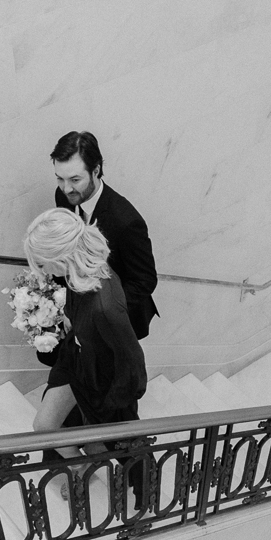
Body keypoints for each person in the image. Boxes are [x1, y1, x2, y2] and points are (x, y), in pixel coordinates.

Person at [24, 208, 147, 467]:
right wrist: (71, 318)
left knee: (96, 441)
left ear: (61, 256)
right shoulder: (80, 270)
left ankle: (91, 468)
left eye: (43, 263)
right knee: (45, 426)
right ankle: (82, 467)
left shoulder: (104, 309)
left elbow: (132, 361)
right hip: (76, 359)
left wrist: (109, 403)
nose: (43, 271)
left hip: (99, 380)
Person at [51, 132, 159, 340]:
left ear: (96, 170)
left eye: (75, 179)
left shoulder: (126, 221)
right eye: (59, 178)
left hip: (118, 319)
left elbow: (144, 281)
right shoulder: (64, 196)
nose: (66, 188)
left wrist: (93, 313)